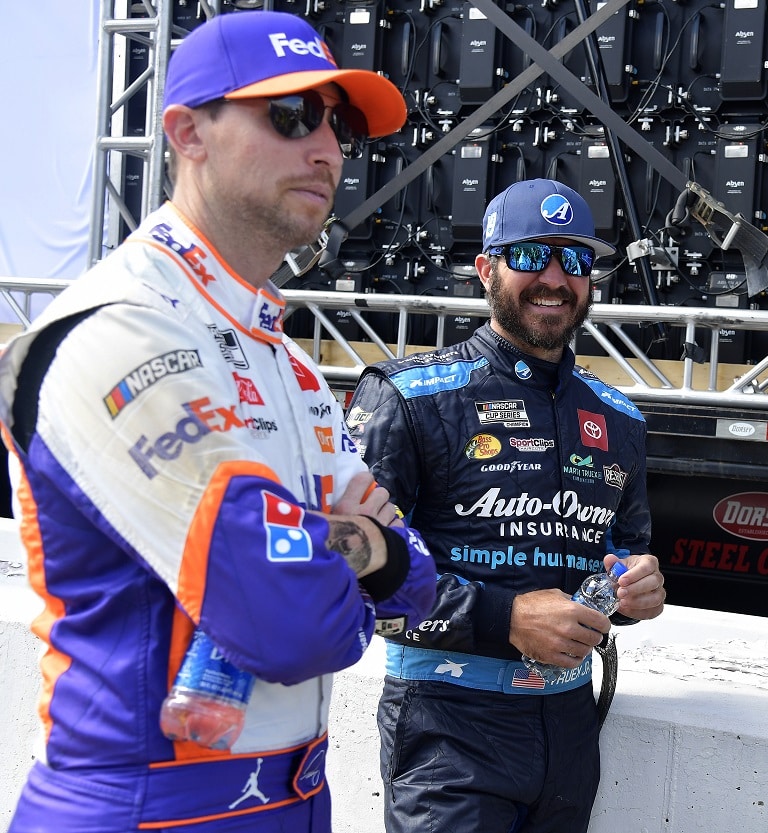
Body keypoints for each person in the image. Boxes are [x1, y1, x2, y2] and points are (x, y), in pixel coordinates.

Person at [0, 11, 437, 832]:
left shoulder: (286, 358)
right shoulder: (115, 329)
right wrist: (362, 554)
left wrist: (356, 551)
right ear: (186, 133)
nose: (328, 149)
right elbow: (285, 617)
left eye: (336, 122)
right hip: (146, 804)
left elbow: (418, 576)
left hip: (297, 799)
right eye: (290, 115)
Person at [347, 177, 667, 833]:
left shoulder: (620, 417)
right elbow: (352, 575)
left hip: (569, 729)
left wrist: (639, 590)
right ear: (486, 269)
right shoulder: (408, 395)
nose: (555, 278)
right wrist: (507, 617)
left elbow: (624, 556)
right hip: (448, 729)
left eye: (575, 260)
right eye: (531, 256)